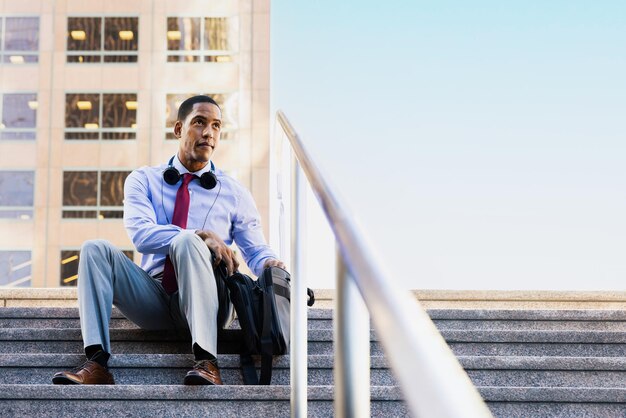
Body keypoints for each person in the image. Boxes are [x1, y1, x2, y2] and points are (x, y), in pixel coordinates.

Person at [52, 95, 285, 386]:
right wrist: (199, 235)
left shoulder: (234, 192)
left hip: (212, 302)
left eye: (216, 126)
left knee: (188, 244)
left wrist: (272, 264)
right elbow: (141, 235)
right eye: (199, 122)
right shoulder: (144, 180)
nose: (208, 133)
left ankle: (207, 361)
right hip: (155, 296)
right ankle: (97, 363)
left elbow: (256, 249)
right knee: (94, 249)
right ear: (178, 129)